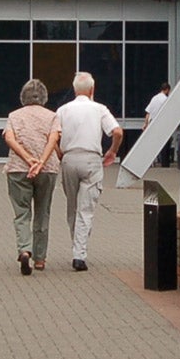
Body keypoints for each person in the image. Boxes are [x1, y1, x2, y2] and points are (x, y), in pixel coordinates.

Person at [55, 71, 120, 271]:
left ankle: (77, 248)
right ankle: (79, 254)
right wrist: (112, 151)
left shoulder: (63, 110)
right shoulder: (100, 109)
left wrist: (60, 154)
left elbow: (52, 136)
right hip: (92, 160)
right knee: (86, 210)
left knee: (72, 207)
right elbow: (117, 132)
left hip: (69, 159)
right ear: (92, 89)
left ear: (75, 90)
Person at [2, 79, 60, 275]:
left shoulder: (14, 116)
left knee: (22, 213)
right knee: (43, 213)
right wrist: (41, 163)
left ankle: (24, 250)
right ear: (44, 97)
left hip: (18, 169)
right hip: (47, 169)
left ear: (23, 97)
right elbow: (53, 139)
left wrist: (28, 160)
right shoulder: (52, 116)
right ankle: (40, 258)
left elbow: (9, 138)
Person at [143, 81, 172, 167]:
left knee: (152, 143)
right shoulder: (166, 99)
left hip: (152, 122)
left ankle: (151, 162)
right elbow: (168, 113)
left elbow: (148, 113)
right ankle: (165, 162)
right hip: (161, 123)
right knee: (164, 143)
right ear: (167, 90)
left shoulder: (154, 98)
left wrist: (145, 124)